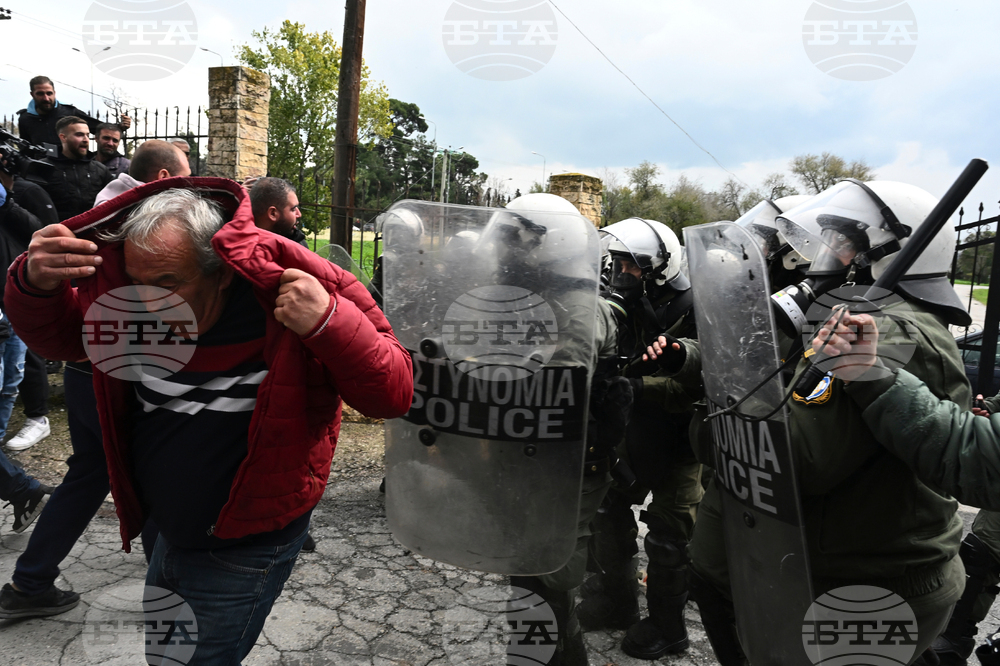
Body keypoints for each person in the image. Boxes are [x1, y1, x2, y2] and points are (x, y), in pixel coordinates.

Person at [3, 181, 413, 661]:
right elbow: (67, 341)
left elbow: (393, 392)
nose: (150, 304)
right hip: (166, 531)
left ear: (220, 272)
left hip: (246, 545)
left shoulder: (299, 281)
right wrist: (34, 281)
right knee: (166, 656)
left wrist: (328, 321)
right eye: (138, 282)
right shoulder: (136, 293)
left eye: (169, 284)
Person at [648, 180, 972, 665]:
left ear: (886, 253)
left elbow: (792, 460)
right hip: (833, 571)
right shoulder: (853, 317)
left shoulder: (885, 330)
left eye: (844, 242)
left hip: (861, 589)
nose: (825, 254)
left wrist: (713, 408)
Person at [577, 217, 703, 661]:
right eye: (619, 263)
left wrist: (640, 385)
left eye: (632, 266)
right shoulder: (625, 304)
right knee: (609, 514)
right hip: (633, 431)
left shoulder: (695, 306)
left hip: (681, 440)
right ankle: (618, 600)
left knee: (669, 538)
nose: (622, 273)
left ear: (659, 266)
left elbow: (703, 382)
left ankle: (669, 627)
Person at [0, 174, 52, 538]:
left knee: (11, 385)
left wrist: (7, 202)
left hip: (7, 313)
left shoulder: (20, 198)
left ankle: (21, 488)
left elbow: (41, 230)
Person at [16, 75, 130, 150]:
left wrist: (119, 127)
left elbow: (98, 128)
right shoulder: (25, 119)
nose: (46, 98)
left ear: (54, 93)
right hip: (41, 172)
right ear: (32, 94)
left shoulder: (69, 112)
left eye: (49, 93)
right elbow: (25, 148)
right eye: (40, 94)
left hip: (71, 168)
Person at [40, 116, 112, 221]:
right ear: (63, 137)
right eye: (79, 135)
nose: (86, 140)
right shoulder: (44, 168)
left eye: (87, 135)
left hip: (92, 231)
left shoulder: (100, 170)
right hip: (57, 232)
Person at [248, 176, 306, 245]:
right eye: (293, 209)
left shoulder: (298, 242)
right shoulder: (246, 252)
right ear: (273, 213)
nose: (299, 214)